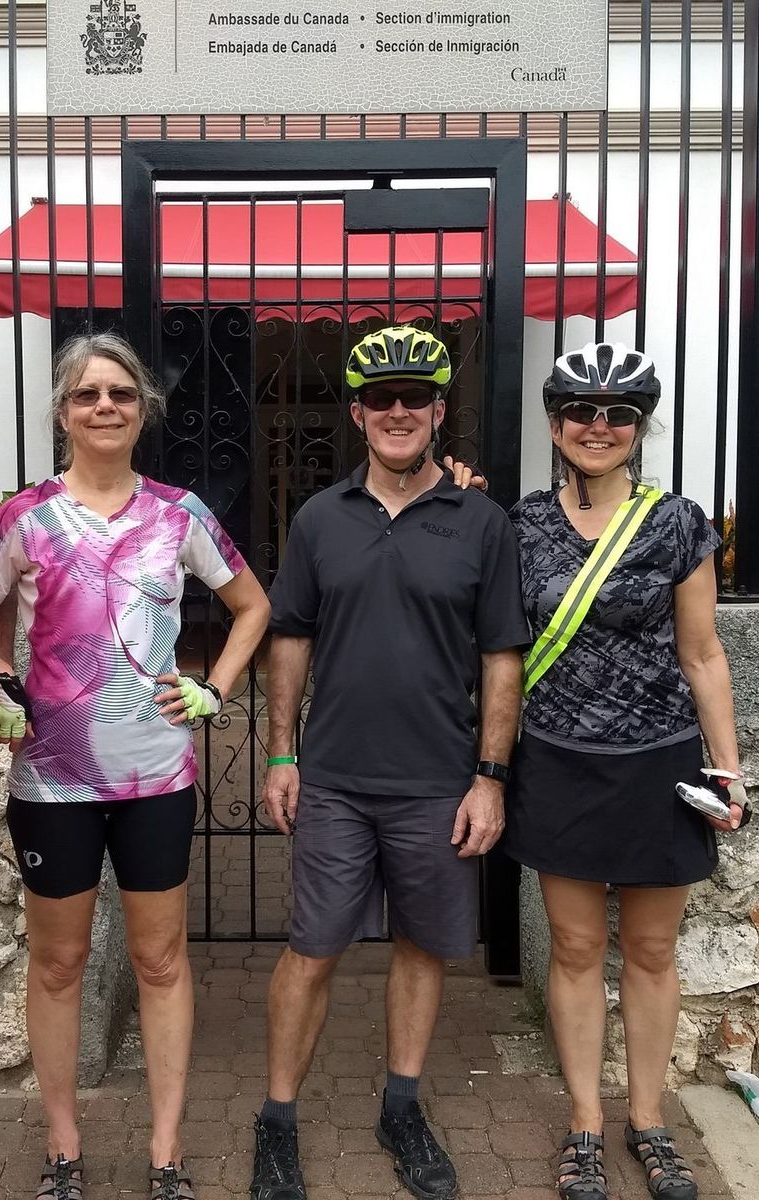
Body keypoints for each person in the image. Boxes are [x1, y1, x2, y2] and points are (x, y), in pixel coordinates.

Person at [0, 332, 271, 1200]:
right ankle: (63, 1147)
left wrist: (214, 690)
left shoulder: (179, 513)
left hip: (156, 777)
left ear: (144, 409)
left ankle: (166, 1152)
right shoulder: (24, 517)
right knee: (58, 965)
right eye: (86, 394)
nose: (104, 406)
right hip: (52, 778)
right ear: (62, 413)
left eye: (120, 393)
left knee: (160, 961)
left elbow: (253, 605)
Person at [249, 325, 528, 1200]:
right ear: (358, 413)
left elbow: (502, 657)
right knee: (311, 950)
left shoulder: (482, 522)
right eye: (380, 398)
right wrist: (282, 752)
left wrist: (490, 777)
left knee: (422, 948)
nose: (397, 411)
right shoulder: (319, 518)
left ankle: (401, 1107)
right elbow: (290, 638)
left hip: (438, 783)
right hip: (334, 779)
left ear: (440, 411)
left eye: (415, 397)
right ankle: (277, 1119)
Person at [501, 342, 749, 1200]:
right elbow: (501, 648)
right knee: (574, 948)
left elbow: (703, 652)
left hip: (658, 761)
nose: (597, 427)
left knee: (649, 950)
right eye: (580, 411)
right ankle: (584, 1122)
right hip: (559, 759)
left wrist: (729, 769)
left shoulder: (677, 523)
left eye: (618, 414)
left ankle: (648, 1118)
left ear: (640, 428)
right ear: (555, 425)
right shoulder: (522, 525)